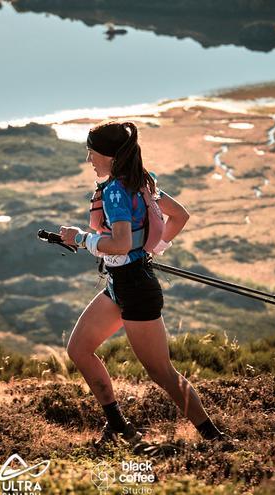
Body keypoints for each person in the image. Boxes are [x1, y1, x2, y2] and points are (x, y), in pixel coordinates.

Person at [59, 121, 228, 447]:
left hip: (135, 290)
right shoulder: (141, 182)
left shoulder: (114, 193)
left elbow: (119, 243)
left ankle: (214, 438)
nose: (88, 158)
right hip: (121, 284)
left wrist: (81, 239)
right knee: (79, 349)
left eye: (91, 151)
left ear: (106, 154)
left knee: (162, 372)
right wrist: (151, 249)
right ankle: (119, 426)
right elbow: (179, 215)